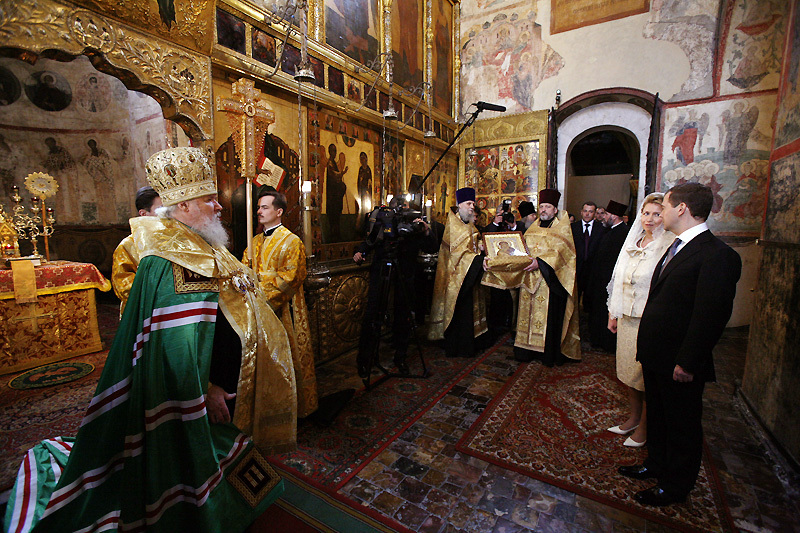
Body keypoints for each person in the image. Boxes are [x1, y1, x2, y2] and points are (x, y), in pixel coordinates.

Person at [4, 147, 296, 532]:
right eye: (209, 199)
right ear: (184, 205)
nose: (218, 206)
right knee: (189, 461)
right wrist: (206, 389)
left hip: (225, 380)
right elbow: (173, 348)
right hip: (192, 392)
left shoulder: (203, 243)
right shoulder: (167, 260)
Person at [618, 183, 741, 506]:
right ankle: (655, 464)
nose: (662, 214)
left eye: (666, 207)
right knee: (659, 416)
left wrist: (688, 362)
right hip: (657, 354)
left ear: (682, 209)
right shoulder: (678, 246)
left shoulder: (717, 255)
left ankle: (675, 486)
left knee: (681, 424)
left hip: (679, 361)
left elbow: (710, 316)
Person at [605, 193, 674, 448]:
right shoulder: (634, 241)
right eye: (646, 213)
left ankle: (645, 427)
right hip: (627, 318)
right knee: (628, 374)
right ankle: (633, 418)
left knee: (645, 377)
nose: (650, 219)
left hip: (650, 320)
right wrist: (613, 312)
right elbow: (618, 278)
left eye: (657, 214)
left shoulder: (668, 245)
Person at [483, 188, 580, 366]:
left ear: (555, 209)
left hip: (549, 283)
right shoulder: (532, 228)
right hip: (528, 281)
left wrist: (540, 263)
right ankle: (525, 351)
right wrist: (496, 257)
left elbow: (563, 255)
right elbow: (519, 250)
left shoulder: (561, 229)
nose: (543, 210)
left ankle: (546, 354)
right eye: (541, 206)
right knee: (525, 317)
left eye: (547, 207)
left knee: (547, 320)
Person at [244, 189, 318, 418]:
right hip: (256, 309)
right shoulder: (254, 241)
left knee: (287, 358)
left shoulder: (292, 241)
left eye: (264, 207)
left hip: (283, 310)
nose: (259, 211)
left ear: (279, 212)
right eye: (258, 207)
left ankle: (293, 408)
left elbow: (291, 278)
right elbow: (244, 270)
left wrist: (260, 297)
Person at [354, 197, 437, 375]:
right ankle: (365, 359)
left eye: (406, 209)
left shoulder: (414, 226)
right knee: (373, 314)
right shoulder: (383, 221)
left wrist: (426, 230)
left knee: (403, 315)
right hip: (381, 271)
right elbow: (370, 240)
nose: (403, 213)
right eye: (400, 209)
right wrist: (360, 251)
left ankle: (401, 357)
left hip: (405, 274)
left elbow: (431, 247)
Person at [428, 187, 488, 358]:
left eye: (473, 204)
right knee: (461, 311)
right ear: (459, 205)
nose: (472, 207)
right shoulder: (454, 227)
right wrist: (478, 260)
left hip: (469, 274)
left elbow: (472, 245)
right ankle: (460, 346)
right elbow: (457, 255)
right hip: (456, 278)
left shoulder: (468, 225)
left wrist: (481, 246)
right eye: (468, 204)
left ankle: (474, 342)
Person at [111, 186, 162, 315]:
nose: (168, 214)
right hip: (144, 312)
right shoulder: (128, 245)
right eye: (161, 209)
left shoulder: (177, 241)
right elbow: (123, 286)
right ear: (144, 214)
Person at [587, 200, 629, 352]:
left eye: (606, 214)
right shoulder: (609, 230)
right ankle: (598, 340)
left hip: (610, 281)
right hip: (600, 280)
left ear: (614, 216)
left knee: (606, 312)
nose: (603, 217)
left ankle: (607, 343)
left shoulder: (623, 232)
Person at [570, 201, 605, 305]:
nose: (587, 214)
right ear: (581, 212)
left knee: (590, 297)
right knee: (575, 296)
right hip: (576, 267)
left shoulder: (601, 228)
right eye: (585, 211)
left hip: (593, 268)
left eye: (590, 211)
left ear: (595, 213)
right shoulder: (573, 228)